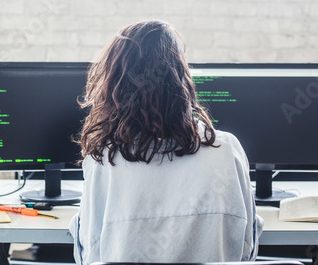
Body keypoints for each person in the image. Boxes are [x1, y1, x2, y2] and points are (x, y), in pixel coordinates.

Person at [70, 19, 263, 265]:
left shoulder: (104, 158)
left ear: (115, 84)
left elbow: (89, 256)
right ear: (181, 79)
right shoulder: (226, 150)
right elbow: (246, 250)